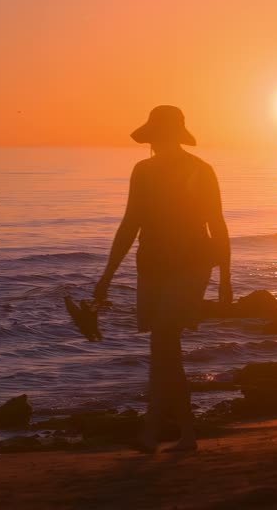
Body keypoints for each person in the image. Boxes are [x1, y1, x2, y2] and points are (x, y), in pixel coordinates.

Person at [93, 105, 232, 452]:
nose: (153, 144)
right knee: (162, 350)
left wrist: (227, 279)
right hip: (152, 266)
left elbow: (217, 224)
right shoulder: (144, 171)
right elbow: (130, 224)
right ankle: (172, 433)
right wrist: (106, 276)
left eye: (155, 137)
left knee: (165, 344)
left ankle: (166, 433)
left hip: (190, 266)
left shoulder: (200, 171)